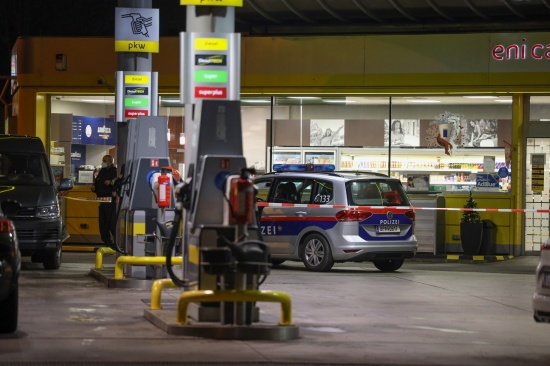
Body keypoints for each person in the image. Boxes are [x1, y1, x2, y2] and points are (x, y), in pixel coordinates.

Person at [91, 154, 118, 249]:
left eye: (104, 161)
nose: (102, 162)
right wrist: (94, 188)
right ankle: (107, 243)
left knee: (111, 223)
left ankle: (116, 244)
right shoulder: (101, 171)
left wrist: (110, 183)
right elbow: (98, 182)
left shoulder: (114, 172)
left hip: (110, 201)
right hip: (101, 200)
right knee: (102, 224)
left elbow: (116, 184)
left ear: (110, 161)